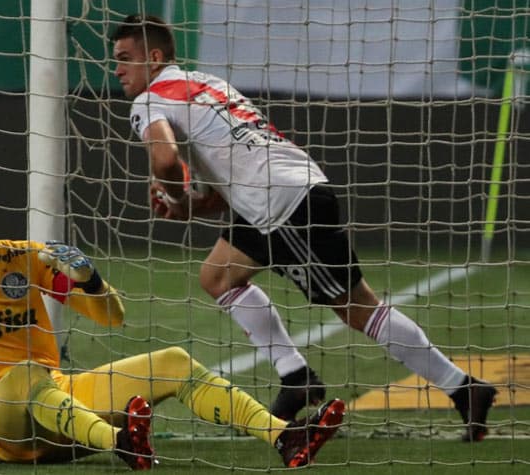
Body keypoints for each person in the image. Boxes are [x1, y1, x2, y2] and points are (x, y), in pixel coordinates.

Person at [110, 14, 497, 442]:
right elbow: (225, 190)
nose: (118, 70)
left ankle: (464, 389)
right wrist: (192, 206)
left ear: (156, 57)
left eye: (126, 58)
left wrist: (177, 197)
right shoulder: (207, 84)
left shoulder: (148, 103)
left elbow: (165, 161)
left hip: (284, 206)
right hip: (284, 192)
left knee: (358, 309)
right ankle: (296, 378)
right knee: (217, 277)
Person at [0, 201, 345, 469]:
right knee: (27, 375)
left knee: (172, 361)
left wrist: (90, 279)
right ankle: (122, 441)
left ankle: (286, 438)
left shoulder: (25, 259)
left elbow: (111, 316)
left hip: (58, 418)